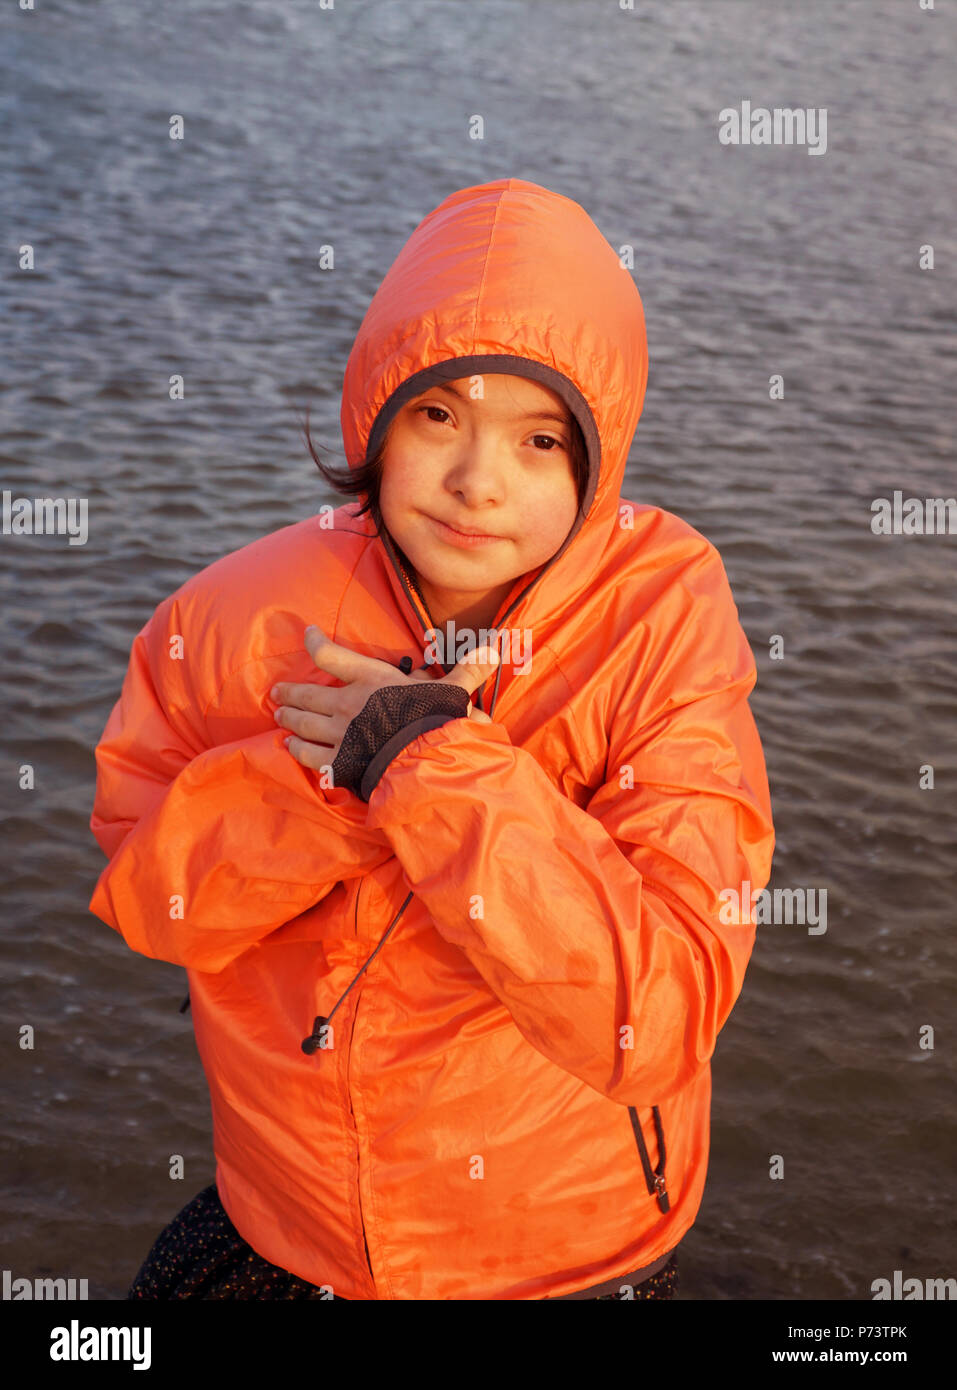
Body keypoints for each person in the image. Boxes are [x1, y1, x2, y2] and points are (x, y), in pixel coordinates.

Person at [89, 177, 775, 1301]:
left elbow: (658, 1018)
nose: (476, 484)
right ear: (377, 410)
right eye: (439, 414)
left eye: (540, 438)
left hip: (557, 1240)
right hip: (295, 1210)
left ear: (597, 461)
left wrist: (429, 767)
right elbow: (152, 901)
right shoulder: (233, 617)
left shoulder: (663, 620)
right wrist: (326, 786)